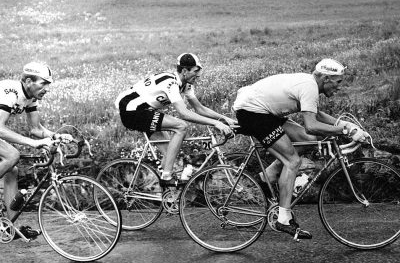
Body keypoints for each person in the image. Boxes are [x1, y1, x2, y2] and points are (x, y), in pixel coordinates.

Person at [232, 58, 367, 239]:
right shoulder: (309, 87)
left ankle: (268, 176)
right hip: (252, 112)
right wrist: (345, 130)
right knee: (293, 161)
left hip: (264, 111)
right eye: (338, 82)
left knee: (308, 140)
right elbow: (312, 124)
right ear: (326, 78)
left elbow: (315, 113)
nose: (339, 86)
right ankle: (283, 219)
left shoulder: (310, 85)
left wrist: (345, 125)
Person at [115, 53, 235, 186]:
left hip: (146, 111)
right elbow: (184, 113)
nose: (199, 75)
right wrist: (216, 123)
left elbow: (200, 109)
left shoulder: (186, 85)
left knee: (169, 156)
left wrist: (224, 119)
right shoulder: (170, 82)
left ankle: (166, 199)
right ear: (184, 71)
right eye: (196, 71)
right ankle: (166, 178)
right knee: (181, 126)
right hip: (131, 111)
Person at [0, 62, 70, 240]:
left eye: (48, 84)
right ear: (29, 81)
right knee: (12, 155)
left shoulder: (31, 96)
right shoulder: (10, 92)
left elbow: (36, 129)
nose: (47, 88)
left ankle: (10, 227)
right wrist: (33, 144)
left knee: (11, 170)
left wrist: (56, 136)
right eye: (43, 83)